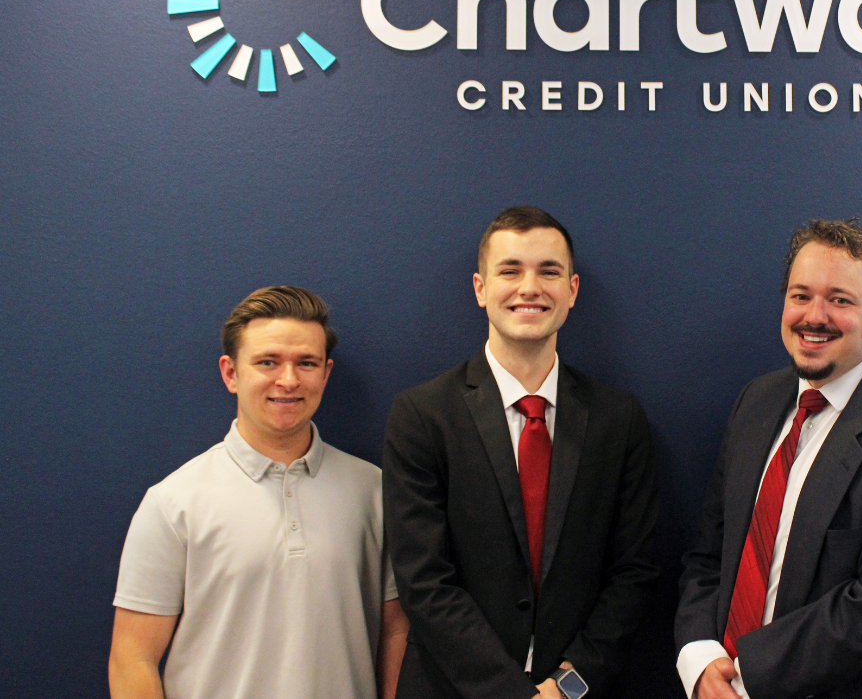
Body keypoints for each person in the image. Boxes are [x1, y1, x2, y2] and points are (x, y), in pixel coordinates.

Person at [676, 218, 862, 699]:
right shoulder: (757, 401)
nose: (814, 316)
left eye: (840, 299)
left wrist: (745, 673)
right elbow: (710, 554)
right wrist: (698, 656)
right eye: (800, 295)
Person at [384, 205, 659, 699]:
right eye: (510, 270)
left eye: (548, 271)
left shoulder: (619, 419)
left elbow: (634, 573)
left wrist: (566, 687)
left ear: (571, 291)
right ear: (480, 288)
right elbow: (424, 581)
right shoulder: (422, 415)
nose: (529, 287)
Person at [109, 286, 408, 699]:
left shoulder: (373, 491)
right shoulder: (174, 503)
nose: (288, 380)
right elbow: (132, 659)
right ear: (231, 373)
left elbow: (396, 630)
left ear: (326, 373)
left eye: (306, 363)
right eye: (267, 362)